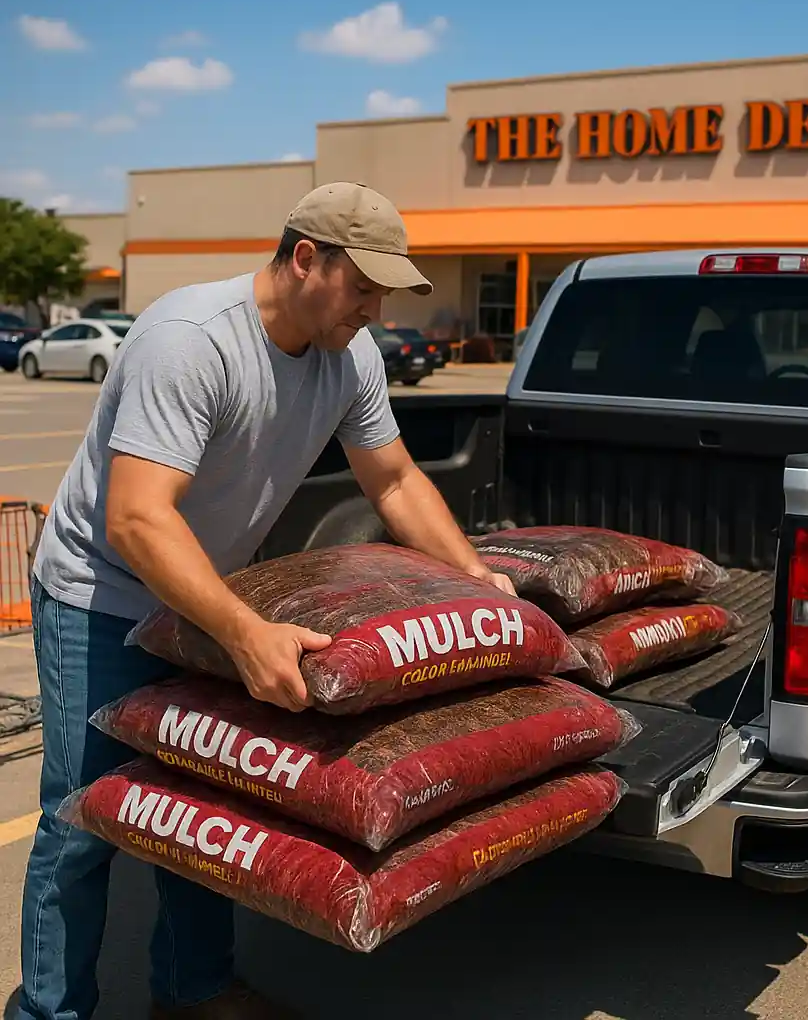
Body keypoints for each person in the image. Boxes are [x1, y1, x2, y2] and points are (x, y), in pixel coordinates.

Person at [17, 181, 517, 1020]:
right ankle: (48, 1012)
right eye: (362, 286)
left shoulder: (349, 354)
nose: (375, 307)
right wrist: (244, 633)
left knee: (205, 798)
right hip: (98, 593)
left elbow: (392, 479)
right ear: (304, 258)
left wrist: (475, 577)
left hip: (208, 591)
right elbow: (138, 519)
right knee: (82, 826)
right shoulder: (190, 342)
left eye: (385, 291)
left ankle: (194, 989)